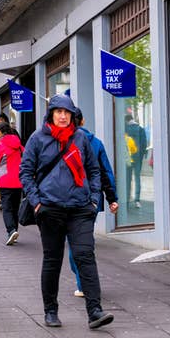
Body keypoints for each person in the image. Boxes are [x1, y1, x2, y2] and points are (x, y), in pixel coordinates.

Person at [19, 94, 113, 329]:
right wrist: (37, 203)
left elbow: (94, 170)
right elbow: (25, 172)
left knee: (85, 256)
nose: (63, 116)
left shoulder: (80, 138)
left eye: (67, 112)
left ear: (72, 116)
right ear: (51, 114)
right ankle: (50, 311)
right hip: (50, 209)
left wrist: (93, 200)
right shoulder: (37, 138)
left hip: (80, 209)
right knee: (53, 259)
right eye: (58, 112)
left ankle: (95, 311)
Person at [68, 109, 118, 297]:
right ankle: (84, 281)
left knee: (74, 242)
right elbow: (106, 172)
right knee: (82, 239)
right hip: (90, 199)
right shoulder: (95, 143)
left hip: (70, 199)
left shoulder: (61, 142)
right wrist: (112, 198)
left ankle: (83, 282)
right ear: (83, 121)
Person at [0, 121, 24, 245]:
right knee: (15, 208)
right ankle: (15, 232)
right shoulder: (18, 144)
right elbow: (27, 157)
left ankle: (11, 230)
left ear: (3, 132)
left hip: (5, 181)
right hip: (18, 181)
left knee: (7, 208)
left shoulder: (0, 145)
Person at [124, 114, 148, 208]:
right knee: (137, 178)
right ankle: (137, 200)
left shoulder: (125, 129)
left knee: (128, 179)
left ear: (126, 121)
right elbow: (144, 144)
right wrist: (141, 156)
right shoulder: (140, 129)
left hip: (128, 158)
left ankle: (127, 199)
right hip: (138, 158)